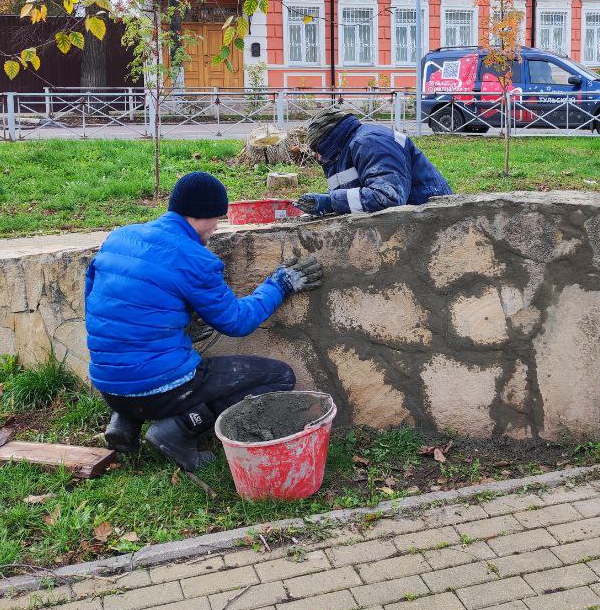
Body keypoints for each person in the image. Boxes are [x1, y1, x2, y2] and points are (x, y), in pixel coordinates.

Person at [85, 171, 323, 471]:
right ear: (205, 216)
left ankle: (125, 422)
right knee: (279, 376)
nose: (216, 229)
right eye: (217, 220)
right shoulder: (195, 259)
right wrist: (279, 286)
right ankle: (177, 429)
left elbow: (95, 298)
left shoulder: (119, 238)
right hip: (159, 390)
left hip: (108, 384)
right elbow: (237, 321)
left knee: (139, 365)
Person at [295, 107, 452, 216]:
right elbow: (355, 194)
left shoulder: (369, 142)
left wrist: (331, 202)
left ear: (327, 141)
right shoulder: (342, 151)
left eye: (317, 149)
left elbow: (389, 197)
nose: (318, 157)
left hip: (433, 220)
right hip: (413, 220)